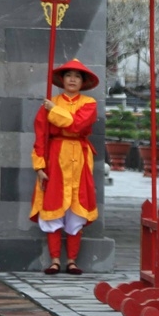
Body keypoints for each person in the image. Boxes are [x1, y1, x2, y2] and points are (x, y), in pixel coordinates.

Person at [30, 59, 100, 274]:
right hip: (55, 156)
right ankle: (54, 260)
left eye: (77, 76)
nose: (72, 79)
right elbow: (41, 135)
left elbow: (77, 124)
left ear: (82, 82)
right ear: (62, 80)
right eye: (69, 75)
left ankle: (71, 260)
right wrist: (39, 166)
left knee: (76, 209)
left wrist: (55, 111)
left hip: (79, 157)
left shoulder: (89, 103)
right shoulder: (50, 102)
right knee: (52, 208)